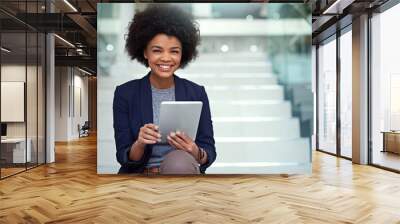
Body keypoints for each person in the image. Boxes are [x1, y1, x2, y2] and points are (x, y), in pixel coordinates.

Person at [113, 4, 216, 175]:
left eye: (174, 51)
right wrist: (140, 142)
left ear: (183, 54)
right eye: (157, 50)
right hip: (140, 175)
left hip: (181, 173)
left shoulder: (196, 92)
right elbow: (123, 155)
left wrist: (195, 151)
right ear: (145, 52)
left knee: (179, 162)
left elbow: (209, 150)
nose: (166, 58)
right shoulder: (125, 93)